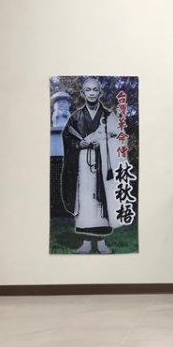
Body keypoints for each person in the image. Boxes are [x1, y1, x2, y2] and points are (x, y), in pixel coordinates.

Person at [61, 78, 120, 254]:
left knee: (102, 201)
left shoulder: (109, 115)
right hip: (82, 165)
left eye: (95, 89)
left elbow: (117, 137)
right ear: (83, 93)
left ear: (100, 92)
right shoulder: (75, 117)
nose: (92, 93)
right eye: (88, 90)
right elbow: (67, 138)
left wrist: (101, 143)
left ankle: (102, 242)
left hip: (103, 163)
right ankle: (86, 241)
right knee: (85, 200)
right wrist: (79, 145)